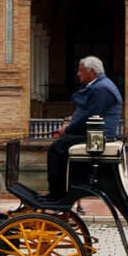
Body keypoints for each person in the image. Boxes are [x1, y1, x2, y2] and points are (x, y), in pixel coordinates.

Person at [44, 55, 122, 201]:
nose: (78, 74)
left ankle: (56, 194)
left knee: (56, 148)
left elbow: (89, 117)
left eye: (80, 71)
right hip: (96, 134)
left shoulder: (101, 89)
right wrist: (71, 122)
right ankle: (61, 192)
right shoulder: (100, 85)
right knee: (62, 144)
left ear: (91, 71)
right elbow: (87, 114)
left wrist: (66, 130)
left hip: (98, 138)